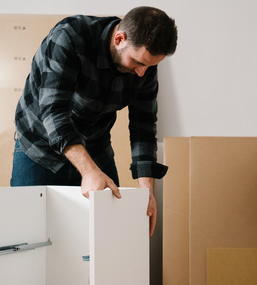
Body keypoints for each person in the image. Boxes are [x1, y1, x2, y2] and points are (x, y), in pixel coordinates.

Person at [10, 7, 178, 238]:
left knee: (105, 238)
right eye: (138, 62)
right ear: (120, 39)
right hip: (40, 147)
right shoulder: (69, 38)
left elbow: (144, 127)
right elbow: (55, 112)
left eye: (150, 66)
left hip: (95, 146)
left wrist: (146, 192)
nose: (142, 73)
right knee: (28, 236)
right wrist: (88, 172)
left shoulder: (145, 67)